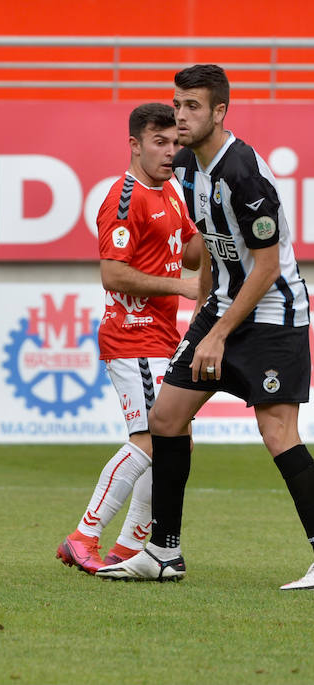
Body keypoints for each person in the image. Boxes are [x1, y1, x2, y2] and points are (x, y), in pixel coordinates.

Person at [98, 64, 314, 588]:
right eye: (178, 105)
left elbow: (265, 268)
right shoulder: (188, 168)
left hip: (271, 317)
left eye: (193, 106)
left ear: (220, 111)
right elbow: (214, 251)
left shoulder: (243, 173)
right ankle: (162, 552)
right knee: (166, 418)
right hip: (220, 311)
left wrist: (217, 333)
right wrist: (203, 320)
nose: (181, 116)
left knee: (278, 432)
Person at [57, 103, 202, 575]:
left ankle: (127, 546)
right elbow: (113, 274)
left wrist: (223, 223)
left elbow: (194, 253)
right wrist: (180, 285)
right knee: (151, 439)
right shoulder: (125, 197)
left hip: (162, 336)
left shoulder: (174, 191)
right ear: (135, 145)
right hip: (132, 336)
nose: (171, 152)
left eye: (175, 143)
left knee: (176, 440)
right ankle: (84, 535)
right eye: (160, 142)